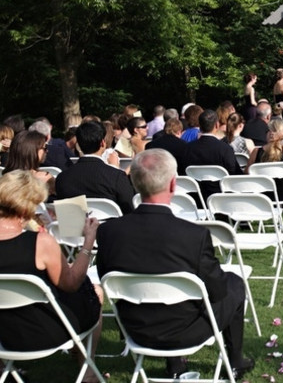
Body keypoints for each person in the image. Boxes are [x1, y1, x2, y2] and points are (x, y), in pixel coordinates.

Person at [96, 149, 253, 379]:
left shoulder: (108, 231)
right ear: (173, 184)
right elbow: (217, 290)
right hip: (186, 331)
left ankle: (176, 365)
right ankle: (236, 360)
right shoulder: (193, 235)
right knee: (235, 284)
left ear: (134, 182)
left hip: (135, 328)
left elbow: (105, 278)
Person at [0, 170, 103, 382]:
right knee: (95, 292)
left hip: (3, 336)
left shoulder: (38, 241)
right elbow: (71, 283)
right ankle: (88, 372)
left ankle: (3, 370)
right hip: (42, 334)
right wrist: (88, 242)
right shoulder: (40, 243)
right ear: (28, 204)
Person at [56, 121, 135, 214]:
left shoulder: (62, 178)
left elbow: (65, 216)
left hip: (75, 228)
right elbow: (129, 209)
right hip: (109, 227)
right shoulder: (116, 176)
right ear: (103, 143)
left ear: (78, 145)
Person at [4, 130, 56, 196]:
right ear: (32, 151)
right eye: (44, 148)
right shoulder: (44, 178)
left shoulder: (5, 179)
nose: (47, 151)